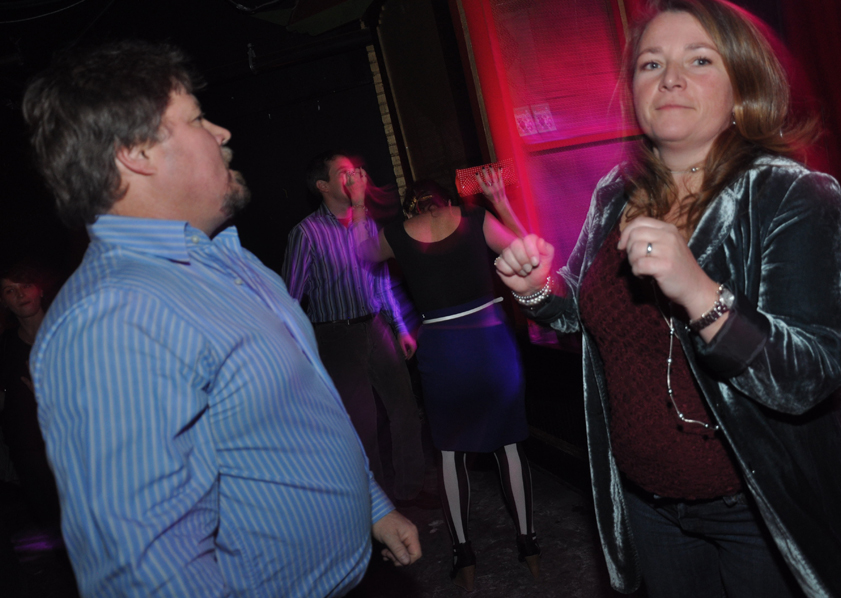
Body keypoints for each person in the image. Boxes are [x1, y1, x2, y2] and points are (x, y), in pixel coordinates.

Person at [494, 1, 841, 597]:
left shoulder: (789, 193)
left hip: (757, 507)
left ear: (741, 85)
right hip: (646, 501)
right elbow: (579, 309)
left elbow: (811, 375)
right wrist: (538, 290)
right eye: (651, 64)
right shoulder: (613, 191)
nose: (670, 78)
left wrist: (701, 293)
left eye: (699, 59)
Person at [22, 40, 420, 598]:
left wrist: (371, 507)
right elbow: (148, 574)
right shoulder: (114, 318)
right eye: (197, 119)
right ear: (137, 152)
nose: (222, 133)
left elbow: (301, 411)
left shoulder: (228, 259)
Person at [355, 170, 538, 592]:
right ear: (444, 199)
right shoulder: (473, 220)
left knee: (452, 453)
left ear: (411, 205)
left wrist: (361, 204)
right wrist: (500, 201)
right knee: (509, 445)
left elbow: (360, 254)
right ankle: (529, 543)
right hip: (491, 341)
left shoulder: (397, 233)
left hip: (442, 346)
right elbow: (527, 255)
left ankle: (463, 551)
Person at [282, 152, 426, 504]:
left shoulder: (365, 224)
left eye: (354, 171)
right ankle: (377, 502)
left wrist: (401, 328)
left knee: (404, 407)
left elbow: (382, 280)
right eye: (343, 174)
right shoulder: (306, 234)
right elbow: (290, 295)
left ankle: (412, 488)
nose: (354, 177)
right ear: (323, 186)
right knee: (362, 421)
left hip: (376, 325)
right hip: (336, 334)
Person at [0, 264, 61, 530]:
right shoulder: (6, 345)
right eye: (10, 290)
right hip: (30, 452)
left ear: (40, 290)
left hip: (75, 444)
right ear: (3, 301)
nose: (20, 294)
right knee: (49, 521)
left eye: (25, 285)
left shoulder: (67, 330)